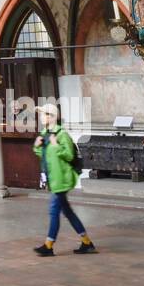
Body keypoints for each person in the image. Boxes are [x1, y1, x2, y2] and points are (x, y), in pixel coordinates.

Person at [31, 103, 96, 256]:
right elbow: (44, 155)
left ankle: (49, 245)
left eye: (43, 114)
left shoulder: (62, 135)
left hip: (62, 179)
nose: (40, 117)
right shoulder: (45, 133)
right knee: (67, 212)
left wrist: (55, 146)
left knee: (54, 211)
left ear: (51, 117)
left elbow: (69, 155)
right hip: (54, 178)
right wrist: (37, 147)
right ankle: (86, 242)